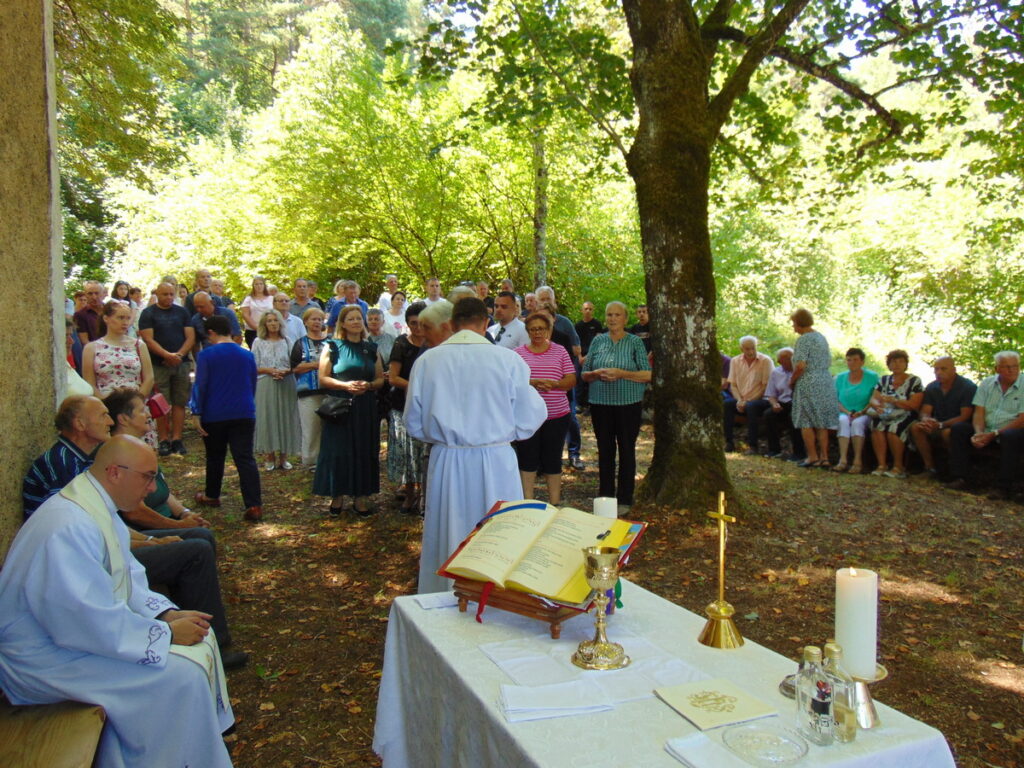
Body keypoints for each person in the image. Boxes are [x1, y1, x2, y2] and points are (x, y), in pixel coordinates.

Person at [1, 436, 236, 768]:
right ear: (114, 472)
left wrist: (166, 614)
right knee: (181, 675)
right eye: (147, 477)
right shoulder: (68, 527)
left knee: (202, 640)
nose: (152, 488)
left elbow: (127, 576)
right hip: (42, 659)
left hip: (74, 639)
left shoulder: (98, 507)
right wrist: (165, 635)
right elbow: (81, 620)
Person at [405, 298, 546, 593]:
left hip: (448, 459)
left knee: (450, 528)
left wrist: (445, 436)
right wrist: (499, 433)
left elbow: (414, 421)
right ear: (486, 323)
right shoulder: (507, 360)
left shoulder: (428, 362)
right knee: (499, 532)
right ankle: (498, 595)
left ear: (452, 324)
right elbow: (530, 415)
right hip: (496, 459)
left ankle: (448, 594)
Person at [190, 314, 263, 521]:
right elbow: (252, 382)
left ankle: (212, 495)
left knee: (215, 456)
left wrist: (196, 411)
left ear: (211, 332)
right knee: (245, 457)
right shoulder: (246, 355)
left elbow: (201, 385)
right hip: (243, 411)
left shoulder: (206, 355)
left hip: (214, 413)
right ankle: (254, 504)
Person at [314, 304, 385, 516]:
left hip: (365, 407)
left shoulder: (371, 348)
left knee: (363, 449)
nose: (355, 322)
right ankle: (337, 496)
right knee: (338, 450)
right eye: (351, 319)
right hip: (340, 406)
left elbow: (380, 379)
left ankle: (361, 497)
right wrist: (345, 385)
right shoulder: (332, 347)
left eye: (358, 318)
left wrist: (369, 385)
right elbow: (323, 378)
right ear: (342, 323)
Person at [581, 301, 652, 508]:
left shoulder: (634, 342)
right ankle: (605, 497)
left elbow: (647, 374)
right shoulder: (598, 341)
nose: (612, 319)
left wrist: (622, 374)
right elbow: (584, 374)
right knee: (605, 450)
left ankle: (625, 498)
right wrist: (595, 374)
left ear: (625, 318)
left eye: (617, 315)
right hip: (600, 404)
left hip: (628, 404)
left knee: (627, 450)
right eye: (609, 315)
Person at [514, 313, 576, 505]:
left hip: (557, 415)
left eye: (541, 328)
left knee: (553, 459)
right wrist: (531, 383)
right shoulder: (518, 354)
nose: (537, 333)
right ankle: (527, 504)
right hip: (528, 417)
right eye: (533, 329)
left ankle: (555, 504)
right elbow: (512, 383)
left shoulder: (560, 351)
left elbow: (571, 379)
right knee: (527, 459)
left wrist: (555, 384)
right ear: (527, 332)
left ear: (548, 330)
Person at [946, 351, 1024, 498]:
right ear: (997, 369)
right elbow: (979, 412)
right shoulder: (987, 383)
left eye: (1015, 366)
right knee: (959, 429)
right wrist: (978, 433)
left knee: (1010, 436)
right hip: (987, 428)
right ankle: (960, 477)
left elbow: (1022, 420)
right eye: (1007, 367)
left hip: (1012, 429)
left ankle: (1003, 487)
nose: (1012, 370)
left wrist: (994, 434)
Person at [82, 300, 157, 447]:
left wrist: (136, 402)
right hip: (106, 405)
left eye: (128, 318)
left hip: (136, 406)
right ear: (106, 318)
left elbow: (149, 378)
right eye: (120, 318)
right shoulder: (92, 348)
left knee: (140, 449)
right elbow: (89, 383)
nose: (125, 322)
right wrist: (106, 403)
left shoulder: (138, 345)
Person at [138, 282, 195, 456]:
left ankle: (177, 438)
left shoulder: (182, 312)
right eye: (165, 294)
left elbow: (190, 336)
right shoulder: (148, 313)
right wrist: (166, 355)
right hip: (158, 364)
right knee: (160, 402)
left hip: (181, 364)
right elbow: (148, 339)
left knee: (179, 401)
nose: (169, 297)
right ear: (157, 294)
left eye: (171, 294)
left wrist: (179, 355)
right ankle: (163, 439)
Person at [387, 301, 428, 514]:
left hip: (428, 408)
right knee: (407, 453)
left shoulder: (434, 344)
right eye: (413, 323)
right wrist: (416, 387)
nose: (417, 327)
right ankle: (409, 493)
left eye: (421, 323)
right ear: (407, 324)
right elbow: (393, 377)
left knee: (424, 453)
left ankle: (424, 496)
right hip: (403, 405)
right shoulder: (401, 343)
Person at [910, 356, 976, 478]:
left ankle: (952, 469)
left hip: (959, 426)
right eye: (936, 369)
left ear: (954, 370)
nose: (939, 372)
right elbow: (925, 410)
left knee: (948, 433)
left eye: (943, 369)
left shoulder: (967, 387)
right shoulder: (932, 387)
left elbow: (965, 416)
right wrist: (926, 420)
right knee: (916, 427)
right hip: (936, 424)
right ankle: (930, 467)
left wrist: (941, 425)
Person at [789, 308, 839, 468]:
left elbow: (800, 365)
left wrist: (792, 380)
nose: (793, 327)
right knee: (820, 420)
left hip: (808, 381)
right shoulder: (820, 337)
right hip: (824, 380)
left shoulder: (804, 339)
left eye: (794, 323)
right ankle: (825, 457)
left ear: (799, 323)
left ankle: (812, 456)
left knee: (806, 420)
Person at [252, 309, 300, 471]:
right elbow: (253, 366)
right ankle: (269, 455)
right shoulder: (258, 342)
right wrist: (269, 371)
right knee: (268, 416)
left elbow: (296, 364)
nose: (273, 324)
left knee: (286, 416)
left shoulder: (287, 340)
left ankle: (284, 457)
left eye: (275, 320)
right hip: (265, 383)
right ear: (264, 324)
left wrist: (286, 371)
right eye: (269, 321)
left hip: (287, 382)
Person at [867, 349, 924, 478]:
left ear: (906, 364)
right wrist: (877, 406)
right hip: (886, 413)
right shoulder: (884, 380)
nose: (897, 364)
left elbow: (914, 404)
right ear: (889, 364)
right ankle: (881, 465)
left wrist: (895, 401)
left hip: (907, 414)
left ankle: (898, 467)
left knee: (894, 428)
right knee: (876, 425)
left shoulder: (914, 381)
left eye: (901, 361)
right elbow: (873, 398)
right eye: (893, 361)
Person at [750, 347, 806, 460]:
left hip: (798, 403)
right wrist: (774, 404)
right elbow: (771, 394)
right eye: (787, 359)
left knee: (794, 416)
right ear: (780, 361)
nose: (792, 360)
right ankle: (774, 450)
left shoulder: (802, 371)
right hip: (782, 402)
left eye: (792, 358)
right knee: (768, 414)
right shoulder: (776, 372)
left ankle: (799, 453)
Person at [291, 307, 329, 469]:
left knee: (328, 427)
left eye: (320, 319)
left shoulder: (331, 342)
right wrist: (317, 364)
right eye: (313, 319)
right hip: (307, 392)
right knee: (311, 426)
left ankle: (327, 459)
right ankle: (311, 461)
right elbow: (295, 367)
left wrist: (309, 365)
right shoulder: (300, 343)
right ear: (305, 322)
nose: (317, 322)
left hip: (329, 391)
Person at [833, 348, 880, 473]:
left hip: (864, 412)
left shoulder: (873, 377)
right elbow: (835, 400)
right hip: (845, 411)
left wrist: (862, 412)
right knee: (842, 421)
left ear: (862, 362)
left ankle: (857, 460)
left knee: (857, 423)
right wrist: (847, 412)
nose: (852, 363)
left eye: (855, 360)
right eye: (849, 360)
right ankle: (842, 460)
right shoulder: (840, 378)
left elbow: (875, 398)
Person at [723, 335, 773, 454]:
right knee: (727, 404)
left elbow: (765, 387)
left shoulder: (765, 361)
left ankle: (753, 446)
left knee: (751, 406)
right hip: (741, 398)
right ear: (741, 349)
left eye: (753, 348)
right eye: (747, 349)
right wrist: (740, 400)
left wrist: (748, 401)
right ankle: (729, 442)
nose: (751, 352)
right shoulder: (735, 361)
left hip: (761, 399)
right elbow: (733, 385)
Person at [575, 300, 604, 410]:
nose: (588, 311)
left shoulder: (597, 324)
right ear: (582, 310)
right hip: (580, 357)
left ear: (593, 311)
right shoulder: (578, 325)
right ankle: (579, 404)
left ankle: (591, 405)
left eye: (590, 309)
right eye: (586, 309)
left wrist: (588, 357)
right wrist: (579, 357)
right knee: (579, 380)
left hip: (594, 356)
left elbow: (599, 342)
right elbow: (575, 342)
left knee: (593, 380)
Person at [240, 275, 273, 348]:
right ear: (253, 286)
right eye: (256, 284)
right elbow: (245, 315)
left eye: (261, 284)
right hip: (253, 331)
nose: (259, 286)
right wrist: (258, 328)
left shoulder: (271, 298)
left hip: (270, 330)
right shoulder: (248, 299)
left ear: (264, 285)